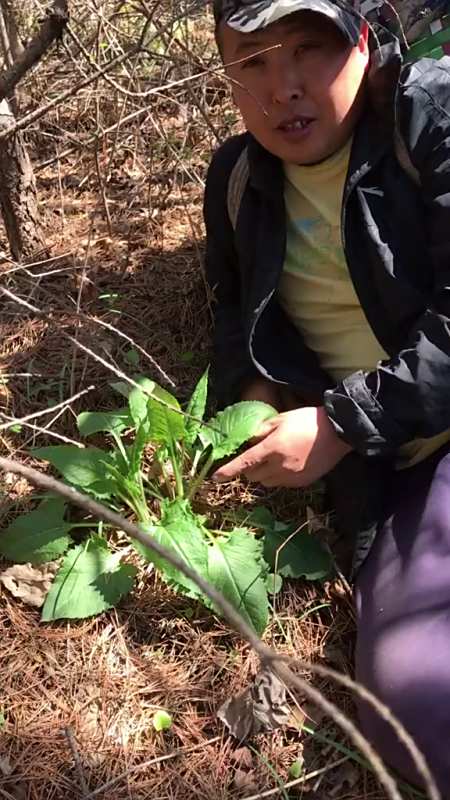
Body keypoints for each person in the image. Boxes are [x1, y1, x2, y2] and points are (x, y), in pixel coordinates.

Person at [203, 0, 450, 793]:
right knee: (420, 716)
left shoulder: (431, 123)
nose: (285, 88)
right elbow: (234, 309)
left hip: (390, 426)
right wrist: (246, 402)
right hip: (402, 470)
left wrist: (341, 423)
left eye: (309, 49)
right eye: (254, 63)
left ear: (366, 41)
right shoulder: (239, 180)